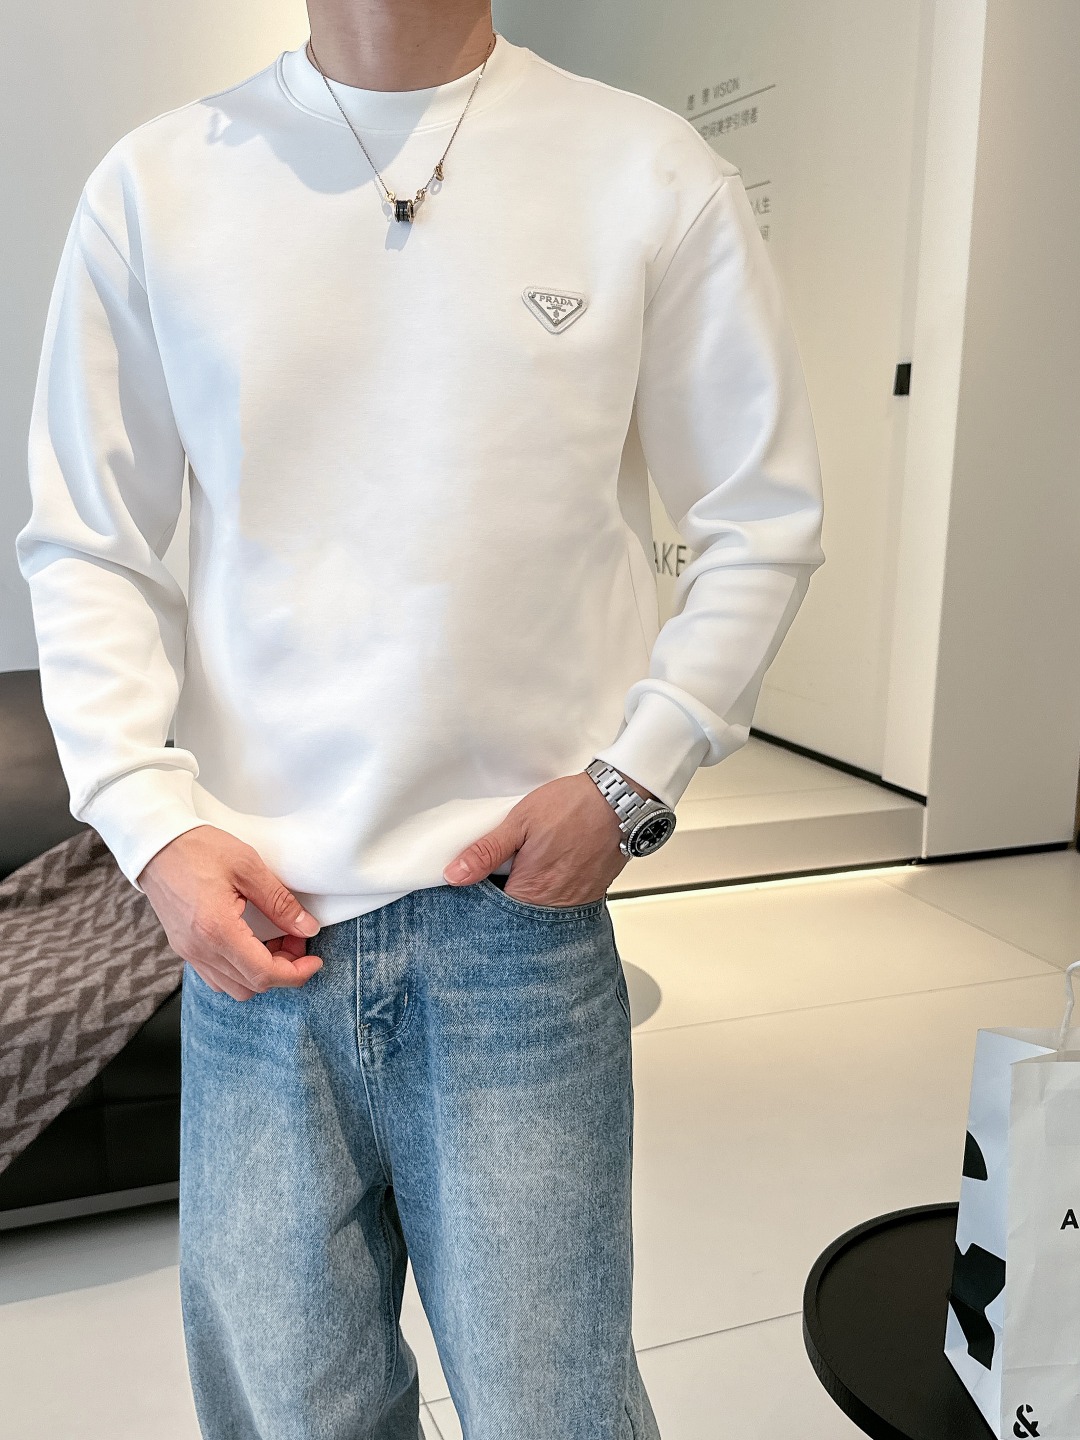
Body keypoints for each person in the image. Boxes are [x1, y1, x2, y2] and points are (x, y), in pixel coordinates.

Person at [15, 1, 825, 1436]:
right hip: (255, 930)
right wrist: (147, 828)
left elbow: (758, 519)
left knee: (553, 1410)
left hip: (514, 926)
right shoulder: (155, 185)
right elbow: (89, 544)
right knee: (289, 1414)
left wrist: (633, 781)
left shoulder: (646, 171)